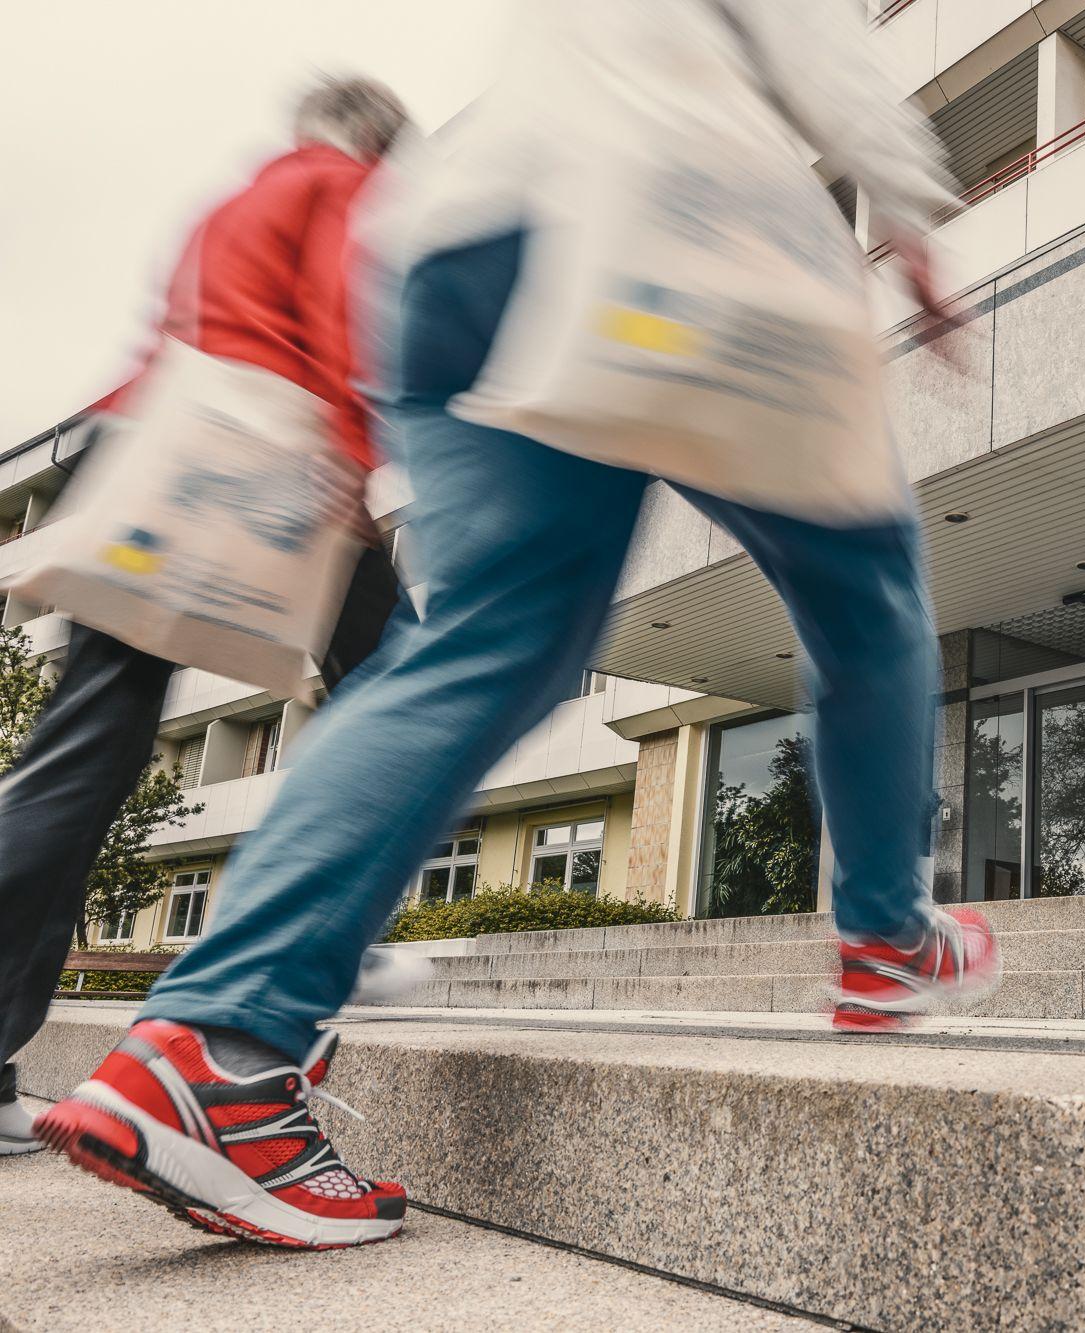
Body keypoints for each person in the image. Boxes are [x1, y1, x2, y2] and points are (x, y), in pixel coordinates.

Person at [34, 0, 997, 1247]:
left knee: (487, 637)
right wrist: (910, 206)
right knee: (863, 580)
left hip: (443, 254)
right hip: (655, 206)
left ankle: (217, 1042)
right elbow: (807, 34)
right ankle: (883, 935)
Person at [0, 78, 412, 1159]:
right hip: (266, 455)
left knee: (85, 752)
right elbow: (344, 317)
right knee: (403, 683)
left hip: (155, 448)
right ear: (375, 138)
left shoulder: (239, 195)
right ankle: (316, 937)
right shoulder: (344, 185)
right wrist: (368, 463)